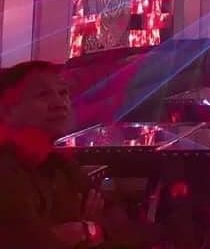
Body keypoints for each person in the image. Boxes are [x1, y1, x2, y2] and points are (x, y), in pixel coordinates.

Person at [0, 61, 163, 248]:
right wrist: (88, 231)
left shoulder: (57, 161)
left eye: (63, 93)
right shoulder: (6, 170)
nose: (59, 103)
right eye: (42, 94)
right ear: (6, 110)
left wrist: (87, 230)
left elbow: (115, 219)